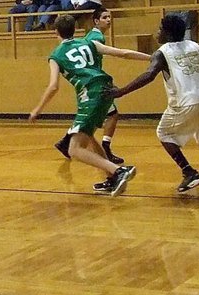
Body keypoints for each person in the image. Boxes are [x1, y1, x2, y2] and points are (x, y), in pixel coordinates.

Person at [106, 14, 199, 193]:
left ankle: (189, 172)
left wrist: (121, 92)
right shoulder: (196, 46)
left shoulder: (162, 52)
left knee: (164, 133)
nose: (157, 32)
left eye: (160, 29)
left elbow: (149, 75)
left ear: (167, 33)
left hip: (186, 101)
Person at [28, 14, 148, 196]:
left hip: (90, 94)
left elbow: (53, 86)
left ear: (56, 32)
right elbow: (123, 53)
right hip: (107, 89)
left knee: (74, 149)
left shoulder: (56, 55)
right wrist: (153, 57)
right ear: (74, 30)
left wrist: (38, 109)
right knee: (89, 138)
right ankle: (111, 178)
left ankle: (118, 171)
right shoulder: (88, 43)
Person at [52, 8, 126, 164]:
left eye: (109, 17)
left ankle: (67, 141)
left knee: (90, 125)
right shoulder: (96, 36)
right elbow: (117, 54)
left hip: (92, 84)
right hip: (94, 86)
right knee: (110, 116)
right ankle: (106, 152)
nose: (108, 20)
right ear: (96, 21)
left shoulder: (91, 37)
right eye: (105, 17)